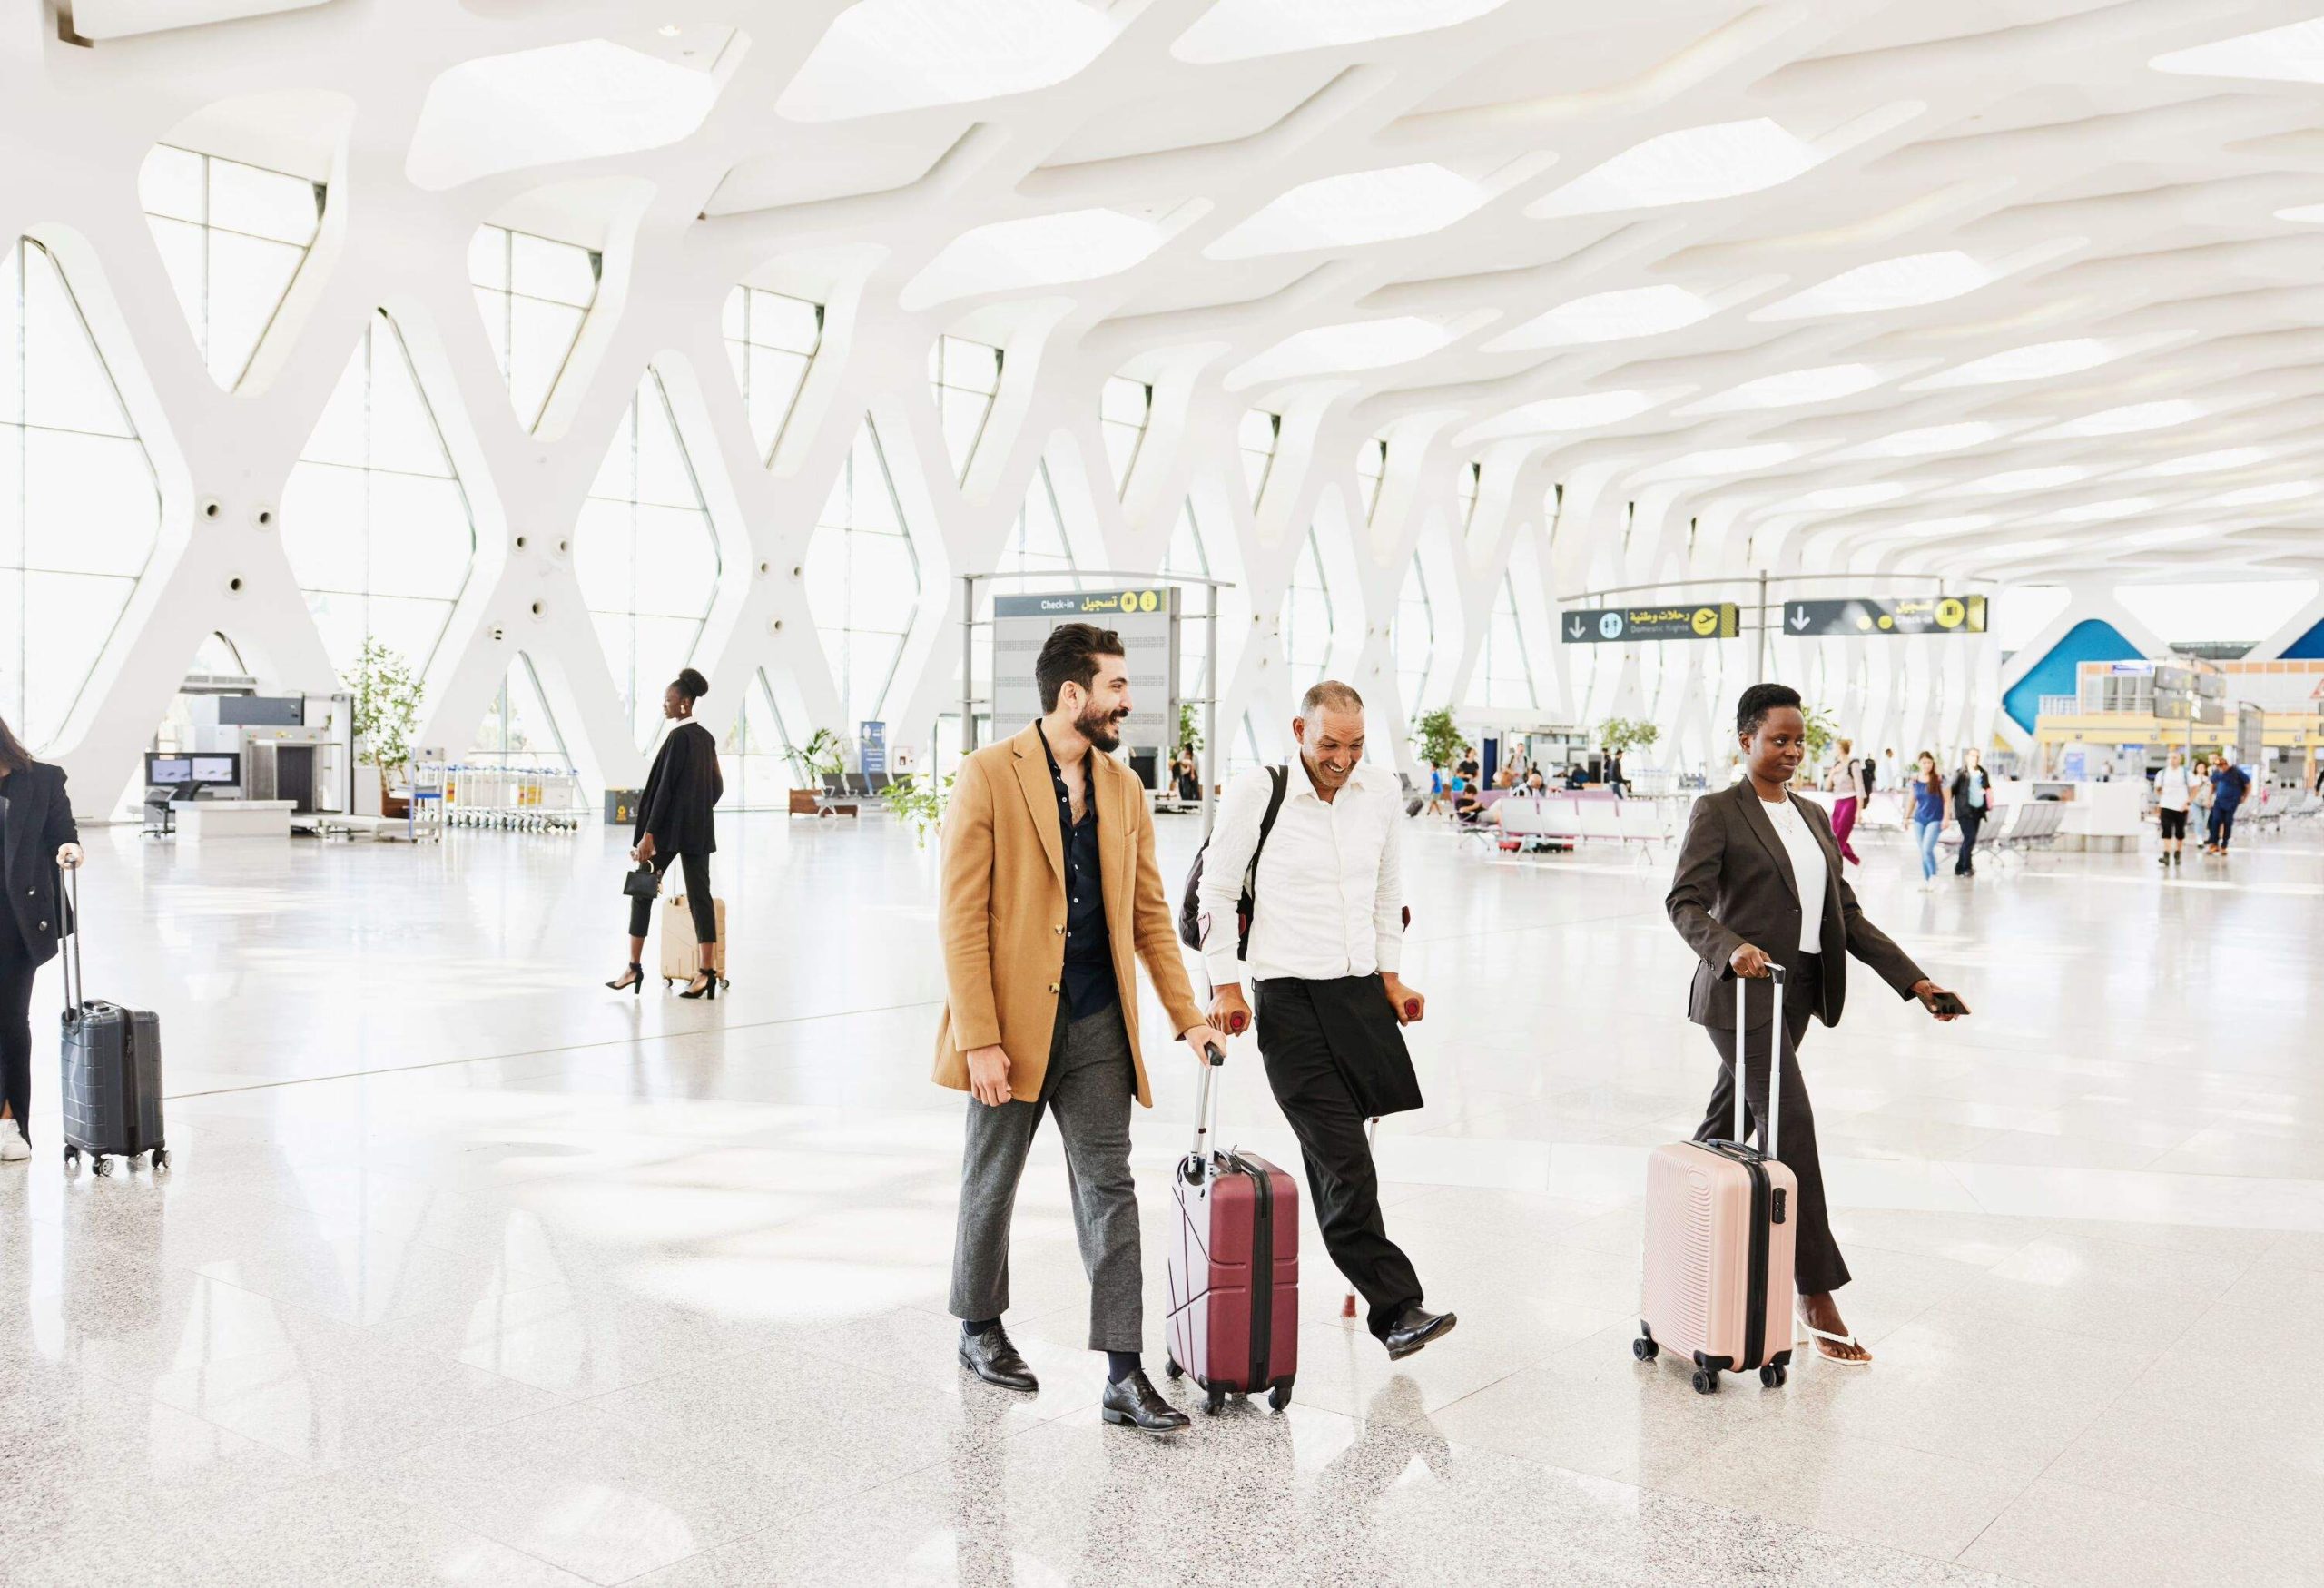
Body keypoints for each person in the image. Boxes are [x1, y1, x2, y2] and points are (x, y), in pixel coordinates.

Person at [934, 623, 1225, 1435]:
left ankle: (1123, 1374)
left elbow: (1150, 917)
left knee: (1110, 1191)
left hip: (1098, 1020)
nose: (1128, 701)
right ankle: (978, 1325)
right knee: (991, 1181)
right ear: (1074, 694)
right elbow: (960, 919)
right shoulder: (989, 775)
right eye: (1117, 686)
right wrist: (979, 1037)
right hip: (1013, 1026)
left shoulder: (1124, 786)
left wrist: (1187, 1016)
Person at [1667, 684, 1968, 1365]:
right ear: (1745, 739)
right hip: (1740, 991)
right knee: (1789, 1126)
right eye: (1778, 739)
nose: (1792, 751)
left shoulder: (1810, 815)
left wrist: (1915, 982)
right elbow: (1684, 902)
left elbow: (1847, 916)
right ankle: (1817, 1292)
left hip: (1798, 992)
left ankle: (1682, 1232)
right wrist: (1729, 947)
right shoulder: (1717, 811)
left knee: (1724, 1125)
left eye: (1799, 740)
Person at [1200, 681, 1455, 1362]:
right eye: (1328, 745)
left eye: (1355, 745)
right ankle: (1397, 1308)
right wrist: (1226, 983)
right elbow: (1217, 891)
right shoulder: (1260, 790)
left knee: (1344, 1157)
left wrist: (1392, 974)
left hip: (1359, 998)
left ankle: (1385, 1299)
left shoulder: (1378, 792)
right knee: (1344, 1158)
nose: (1342, 759)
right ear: (1298, 730)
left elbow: (1386, 891)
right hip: (1288, 1000)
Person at [607, 668, 724, 1000]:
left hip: (669, 831)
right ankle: (706, 973)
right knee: (701, 898)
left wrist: (649, 834)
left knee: (643, 889)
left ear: (685, 704)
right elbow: (717, 787)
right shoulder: (706, 739)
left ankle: (633, 967)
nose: (664, 705)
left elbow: (663, 791)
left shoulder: (678, 738)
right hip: (699, 830)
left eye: (669, 700)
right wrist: (698, 809)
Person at [0, 715, 84, 1162]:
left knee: (10, 1019)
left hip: (16, 920)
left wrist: (71, 851)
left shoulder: (43, 780)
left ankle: (11, 1125)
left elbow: (62, 835)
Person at [1950, 748, 1992, 877]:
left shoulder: (1982, 773)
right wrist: (1948, 812)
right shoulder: (1961, 773)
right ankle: (1966, 866)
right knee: (1970, 837)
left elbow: (1987, 788)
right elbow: (1952, 791)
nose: (1975, 759)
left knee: (1970, 839)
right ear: (1967, 757)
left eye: (1977, 756)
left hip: (1978, 811)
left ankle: (1960, 866)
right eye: (1973, 756)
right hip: (1964, 810)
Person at [1908, 750, 1946, 889]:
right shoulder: (1914, 780)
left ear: (1933, 763)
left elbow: (1947, 800)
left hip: (1935, 819)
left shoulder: (1940, 779)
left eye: (1929, 762)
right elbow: (1911, 800)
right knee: (1922, 851)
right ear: (1919, 763)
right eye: (1924, 762)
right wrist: (1906, 818)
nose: (1927, 765)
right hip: (1919, 820)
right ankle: (1927, 881)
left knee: (1926, 849)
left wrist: (1946, 818)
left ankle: (1933, 877)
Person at [1825, 737, 1862, 866]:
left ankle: (1834, 868)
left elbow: (1860, 789)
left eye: (1835, 747)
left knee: (1839, 838)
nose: (1834, 750)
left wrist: (1858, 812)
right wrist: (1831, 773)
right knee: (1834, 836)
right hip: (1838, 802)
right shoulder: (1836, 765)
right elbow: (1827, 786)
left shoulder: (1853, 764)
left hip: (1850, 802)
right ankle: (1856, 860)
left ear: (1841, 748)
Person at [2204, 752, 2250, 853]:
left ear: (2226, 764)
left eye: (2222, 766)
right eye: (2218, 766)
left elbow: (2248, 784)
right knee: (2215, 821)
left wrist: (2245, 797)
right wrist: (2208, 798)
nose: (2221, 768)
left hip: (2232, 802)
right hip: (2219, 801)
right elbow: (2212, 785)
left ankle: (2224, 845)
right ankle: (2214, 844)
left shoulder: (2236, 772)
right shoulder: (2217, 772)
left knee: (2227, 822)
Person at [2153, 747, 2192, 868]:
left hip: (2181, 806)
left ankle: (2178, 853)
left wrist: (2188, 802)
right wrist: (2160, 797)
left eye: (2174, 758)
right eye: (2169, 758)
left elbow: (2195, 787)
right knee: (2166, 830)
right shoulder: (2162, 773)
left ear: (2179, 759)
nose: (2172, 760)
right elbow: (2157, 789)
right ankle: (2166, 855)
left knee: (2180, 831)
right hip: (2166, 805)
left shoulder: (2186, 773)